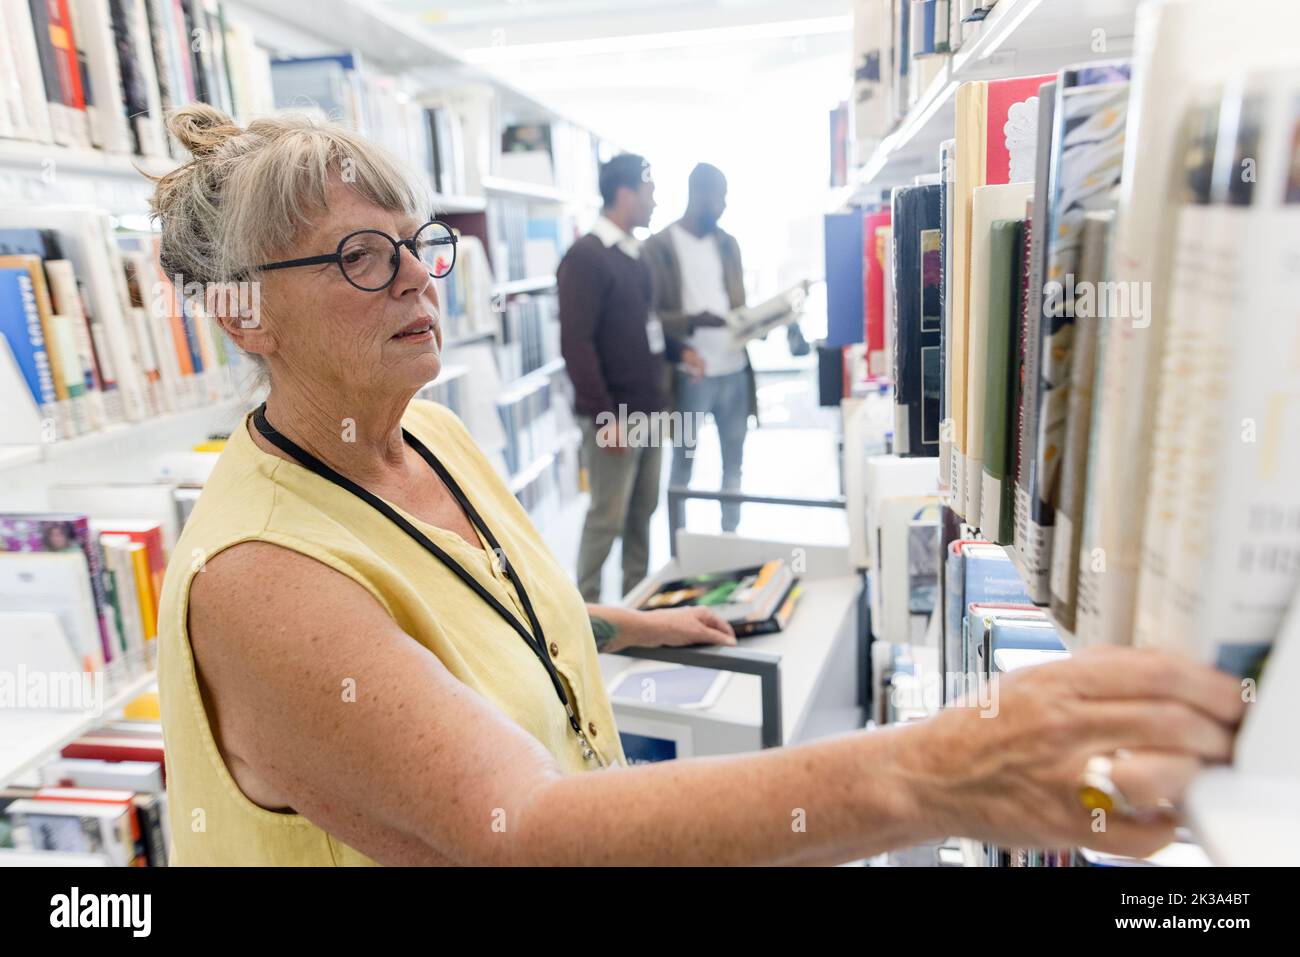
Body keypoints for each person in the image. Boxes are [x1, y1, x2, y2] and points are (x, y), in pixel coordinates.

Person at [153, 104, 1244, 867]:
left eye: (416, 243)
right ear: (244, 310)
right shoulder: (259, 584)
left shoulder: (431, 434)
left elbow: (439, 606)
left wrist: (603, 624)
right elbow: (523, 833)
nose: (414, 279)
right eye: (358, 256)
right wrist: (944, 773)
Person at [558, 154, 702, 602]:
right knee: (608, 517)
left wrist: (681, 353)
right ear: (625, 194)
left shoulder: (634, 254)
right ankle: (587, 612)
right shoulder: (585, 258)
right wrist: (605, 417)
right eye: (650, 192)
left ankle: (635, 602)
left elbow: (646, 326)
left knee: (643, 512)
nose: (655, 201)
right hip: (614, 415)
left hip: (651, 408)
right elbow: (576, 345)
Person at [644, 163, 756, 533]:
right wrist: (694, 320)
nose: (723, 205)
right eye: (718, 197)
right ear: (698, 194)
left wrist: (756, 322)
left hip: (735, 368)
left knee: (734, 465)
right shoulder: (658, 247)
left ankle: (731, 538)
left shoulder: (729, 243)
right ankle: (681, 543)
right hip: (691, 373)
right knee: (683, 464)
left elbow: (737, 304)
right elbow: (651, 317)